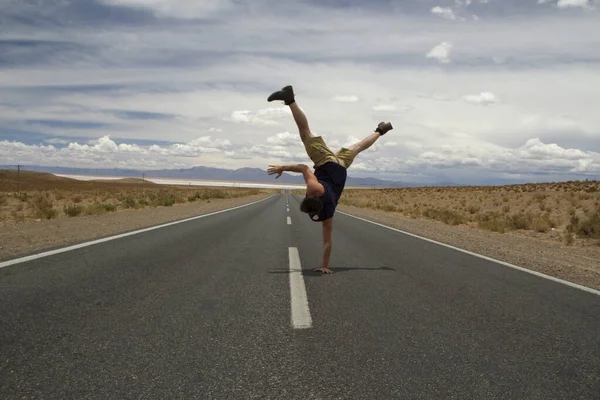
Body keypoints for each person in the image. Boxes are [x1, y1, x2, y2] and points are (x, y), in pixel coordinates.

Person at [266, 85, 393, 274]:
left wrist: (325, 265)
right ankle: (290, 99)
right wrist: (282, 168)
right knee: (305, 133)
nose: (306, 193)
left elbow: (327, 241)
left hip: (341, 168)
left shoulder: (328, 212)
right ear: (313, 197)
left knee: (357, 148)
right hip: (326, 162)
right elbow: (303, 168)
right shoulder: (315, 188)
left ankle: (381, 130)